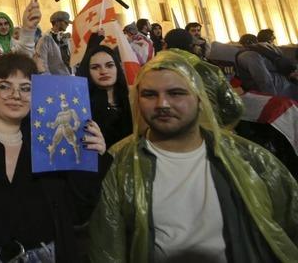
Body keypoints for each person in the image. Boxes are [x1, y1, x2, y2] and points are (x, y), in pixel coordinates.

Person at [86, 50, 298, 263]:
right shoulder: (119, 164)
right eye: (149, 94)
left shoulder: (250, 158)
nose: (163, 104)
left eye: (176, 93)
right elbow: (107, 247)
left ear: (199, 99)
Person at [0, 53, 110, 262]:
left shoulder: (49, 147)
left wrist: (93, 157)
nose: (16, 94)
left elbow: (77, 211)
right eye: (4, 86)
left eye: (26, 88)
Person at [76, 44, 132, 148]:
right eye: (95, 67)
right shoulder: (81, 107)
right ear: (88, 72)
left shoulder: (132, 100)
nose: (103, 71)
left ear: (117, 68)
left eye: (109, 65)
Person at [35, 10, 73, 75]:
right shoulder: (45, 40)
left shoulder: (66, 39)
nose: (68, 25)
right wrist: (51, 81)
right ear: (57, 23)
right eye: (66, 22)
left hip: (70, 79)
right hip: (55, 81)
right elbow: (42, 65)